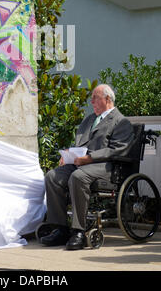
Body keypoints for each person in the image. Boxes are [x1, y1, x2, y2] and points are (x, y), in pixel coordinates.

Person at [41, 84, 134, 250]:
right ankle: (60, 228)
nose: (91, 102)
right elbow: (81, 143)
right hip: (82, 163)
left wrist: (89, 158)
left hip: (106, 167)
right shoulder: (90, 119)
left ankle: (78, 231)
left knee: (78, 177)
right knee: (52, 177)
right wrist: (69, 154)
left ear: (107, 99)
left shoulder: (121, 122)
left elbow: (117, 149)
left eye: (95, 98)